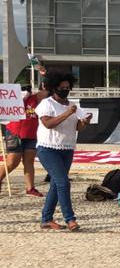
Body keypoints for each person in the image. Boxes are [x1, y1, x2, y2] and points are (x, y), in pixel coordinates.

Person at [36, 72, 91, 231]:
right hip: (48, 149)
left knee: (56, 184)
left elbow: (76, 127)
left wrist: (84, 122)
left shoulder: (73, 105)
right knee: (63, 183)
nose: (65, 90)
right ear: (54, 88)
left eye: (67, 87)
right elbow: (48, 124)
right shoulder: (47, 104)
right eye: (62, 88)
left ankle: (46, 218)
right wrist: (68, 113)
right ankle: (70, 218)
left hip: (66, 149)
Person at [1, 81, 49, 197]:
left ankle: (30, 187)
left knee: (29, 160)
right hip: (15, 131)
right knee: (12, 161)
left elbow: (46, 92)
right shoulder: (12, 101)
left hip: (31, 133)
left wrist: (45, 76)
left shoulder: (36, 97)